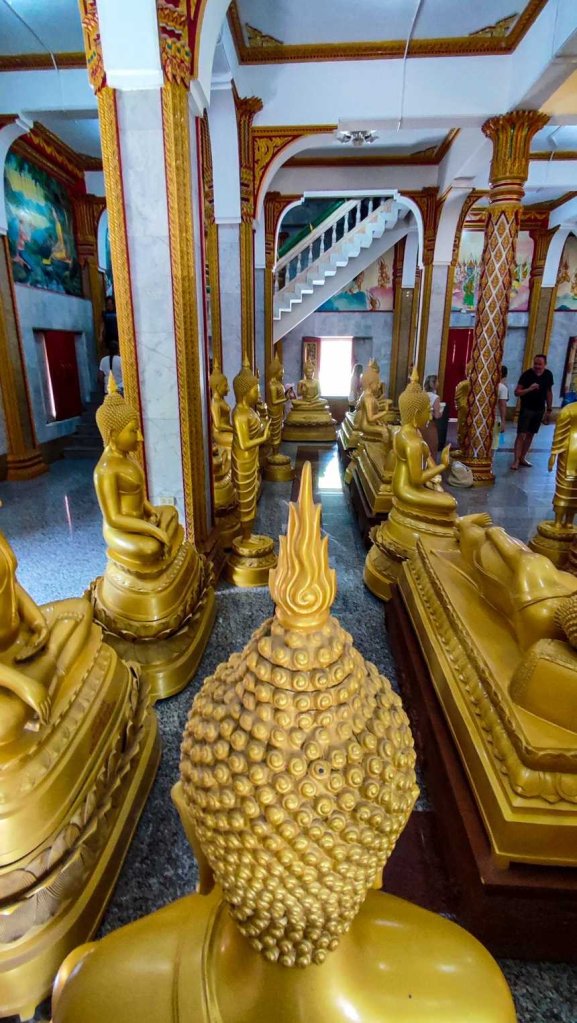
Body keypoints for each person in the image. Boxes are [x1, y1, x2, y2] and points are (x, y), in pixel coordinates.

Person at [512, 354, 553, 470]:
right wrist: (529, 389)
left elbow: (549, 392)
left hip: (539, 409)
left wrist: (549, 409)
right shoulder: (527, 375)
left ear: (545, 364)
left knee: (530, 434)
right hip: (527, 409)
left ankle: (522, 457)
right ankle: (515, 460)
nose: (537, 366)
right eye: (535, 363)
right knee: (521, 434)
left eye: (540, 364)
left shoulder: (548, 375)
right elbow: (517, 392)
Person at [497, 365, 509, 433]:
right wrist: (503, 421)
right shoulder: (502, 388)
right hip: (497, 417)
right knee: (495, 439)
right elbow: (502, 405)